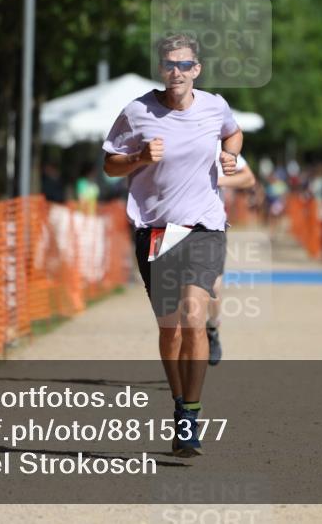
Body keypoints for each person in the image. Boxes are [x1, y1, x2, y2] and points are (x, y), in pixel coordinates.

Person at [102, 33, 242, 457]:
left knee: (195, 318)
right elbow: (109, 164)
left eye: (184, 65)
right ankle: (179, 404)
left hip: (203, 226)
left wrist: (230, 156)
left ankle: (191, 418)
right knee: (171, 330)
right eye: (169, 64)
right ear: (160, 69)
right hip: (156, 228)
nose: (176, 72)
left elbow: (232, 134)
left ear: (196, 69)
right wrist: (139, 157)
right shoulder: (138, 112)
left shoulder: (215, 106)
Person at [207, 141, 256, 367]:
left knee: (213, 289)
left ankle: (213, 328)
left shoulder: (217, 144)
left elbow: (248, 178)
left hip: (211, 227)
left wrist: (218, 180)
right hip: (175, 226)